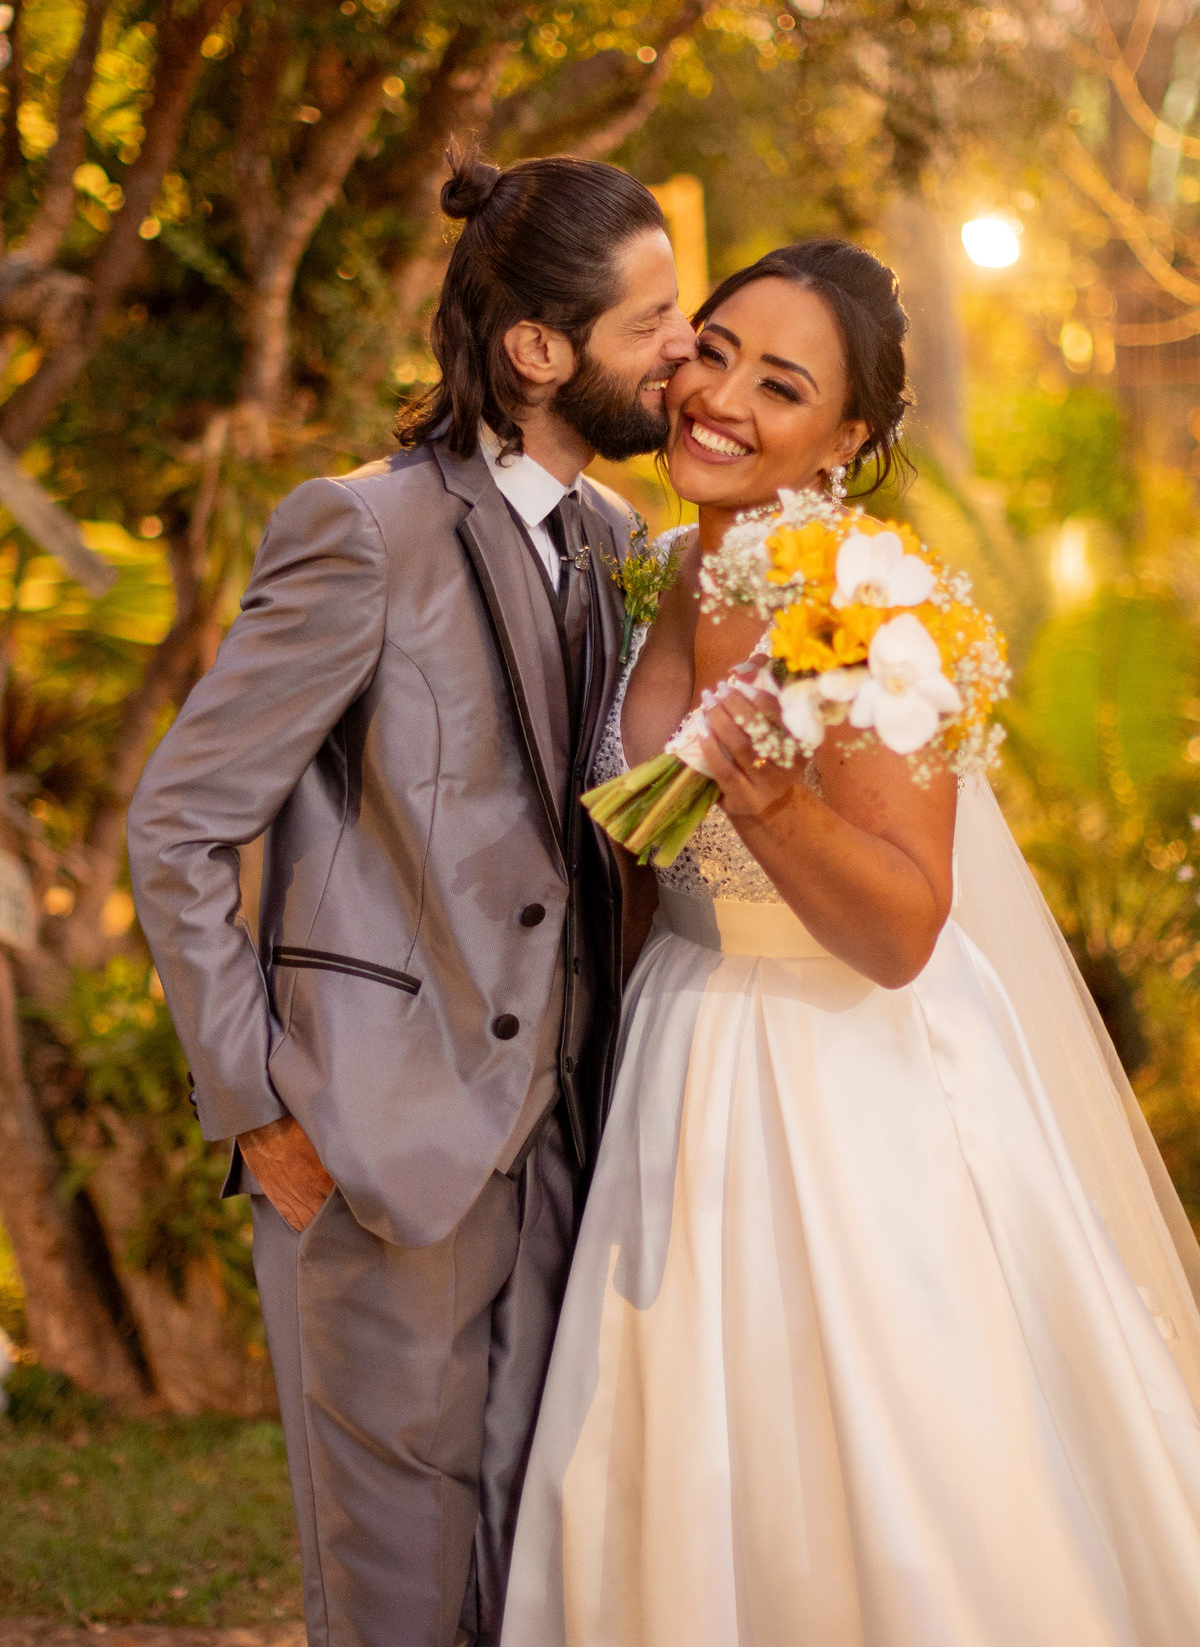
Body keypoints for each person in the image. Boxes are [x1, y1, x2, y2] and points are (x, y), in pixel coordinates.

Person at [501, 240, 1200, 1646]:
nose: (721, 400)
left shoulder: (867, 605)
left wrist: (757, 796)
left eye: (783, 384)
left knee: (888, 1484)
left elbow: (901, 929)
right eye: (713, 350)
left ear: (850, 437)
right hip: (678, 1057)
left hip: (837, 1089)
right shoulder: (655, 566)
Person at [126, 143, 696, 1647]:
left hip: (571, 1144)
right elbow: (179, 824)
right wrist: (255, 1105)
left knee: (532, 1578)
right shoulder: (359, 532)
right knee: (388, 1599)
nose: (682, 350)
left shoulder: (618, 544)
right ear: (536, 350)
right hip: (376, 1147)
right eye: (653, 322)